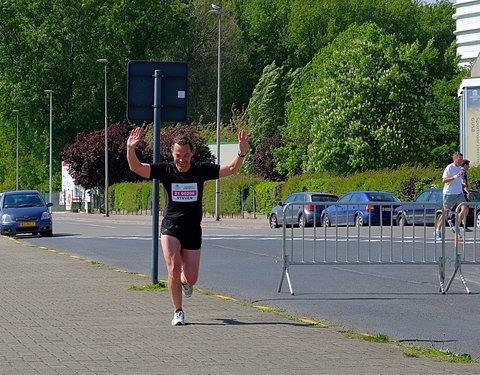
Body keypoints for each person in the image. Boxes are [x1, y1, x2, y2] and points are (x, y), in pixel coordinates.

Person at [127, 127, 249, 325]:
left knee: (191, 278)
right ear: (172, 154)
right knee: (173, 268)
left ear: (191, 153)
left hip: (192, 229)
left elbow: (231, 169)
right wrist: (130, 149)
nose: (181, 159)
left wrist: (241, 152)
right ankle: (178, 311)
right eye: (177, 155)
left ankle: (184, 283)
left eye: (185, 155)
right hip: (171, 227)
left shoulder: (200, 169)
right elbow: (137, 168)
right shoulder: (165, 170)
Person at [435, 152, 467, 242]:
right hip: (449, 193)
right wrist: (455, 176)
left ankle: (456, 227)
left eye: (462, 159)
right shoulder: (449, 167)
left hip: (459, 193)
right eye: (460, 159)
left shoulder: (461, 169)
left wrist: (464, 186)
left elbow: (460, 181)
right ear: (455, 159)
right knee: (445, 212)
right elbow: (444, 180)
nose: (461, 161)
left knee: (464, 208)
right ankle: (438, 230)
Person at [461, 159, 472, 231]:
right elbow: (463, 183)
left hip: (460, 193)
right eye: (468, 165)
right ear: (465, 165)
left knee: (465, 209)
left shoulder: (460, 171)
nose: (468, 167)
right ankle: (463, 225)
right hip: (463, 193)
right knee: (465, 209)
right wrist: (467, 192)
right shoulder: (463, 172)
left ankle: (464, 225)